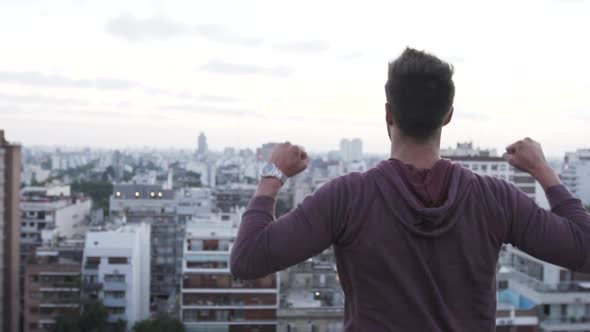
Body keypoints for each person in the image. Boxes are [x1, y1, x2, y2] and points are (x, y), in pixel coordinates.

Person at [229, 47, 590, 331]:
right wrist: (542, 170)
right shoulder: (494, 198)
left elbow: (247, 260)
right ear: (448, 115)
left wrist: (272, 175)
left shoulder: (347, 197)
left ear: (388, 114)